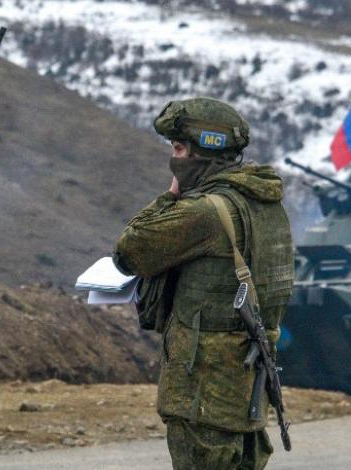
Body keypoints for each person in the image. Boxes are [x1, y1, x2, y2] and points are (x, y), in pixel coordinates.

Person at [113, 97, 294, 469]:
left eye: (180, 149)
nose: (174, 158)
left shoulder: (206, 212)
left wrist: (171, 194)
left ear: (205, 151)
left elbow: (130, 251)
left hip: (203, 394)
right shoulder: (264, 204)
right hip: (242, 389)